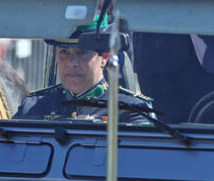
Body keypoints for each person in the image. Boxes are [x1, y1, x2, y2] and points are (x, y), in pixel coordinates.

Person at [13, 21, 153, 122]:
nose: (72, 63)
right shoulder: (32, 108)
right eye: (64, 52)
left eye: (83, 52)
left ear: (105, 57)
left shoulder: (131, 111)